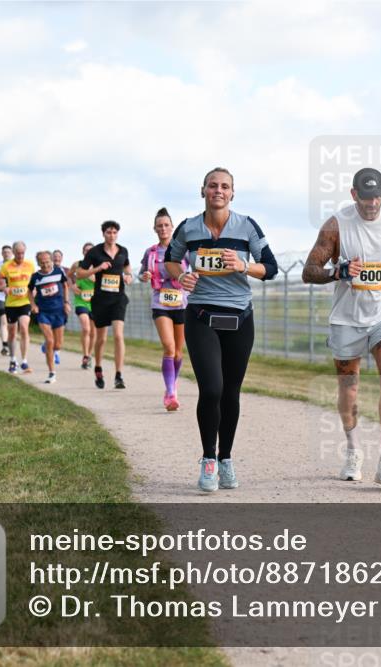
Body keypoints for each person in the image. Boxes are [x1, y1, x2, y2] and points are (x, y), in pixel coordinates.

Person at [302, 168, 381, 485]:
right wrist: (337, 272)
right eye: (366, 197)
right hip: (346, 319)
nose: (372, 203)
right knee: (348, 390)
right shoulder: (336, 225)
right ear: (354, 195)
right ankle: (353, 451)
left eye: (378, 197)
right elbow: (309, 271)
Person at [166, 167, 278, 492]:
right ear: (203, 191)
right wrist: (180, 276)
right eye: (213, 185)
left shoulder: (247, 227)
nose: (219, 191)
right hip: (202, 316)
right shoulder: (188, 228)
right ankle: (208, 459)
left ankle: (226, 458)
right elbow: (172, 261)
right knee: (211, 389)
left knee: (231, 391)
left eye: (225, 186)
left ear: (232, 193)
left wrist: (242, 265)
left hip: (240, 318)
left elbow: (270, 267)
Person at [141, 207, 188, 411]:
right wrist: (144, 276)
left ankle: (172, 384)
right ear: (154, 228)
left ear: (172, 227)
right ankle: (170, 393)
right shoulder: (151, 252)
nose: (163, 228)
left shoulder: (183, 250)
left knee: (178, 352)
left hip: (182, 303)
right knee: (169, 348)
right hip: (161, 302)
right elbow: (143, 272)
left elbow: (195, 271)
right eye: (159, 225)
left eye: (166, 225)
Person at [76, 221, 133, 389]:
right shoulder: (95, 252)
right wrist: (97, 268)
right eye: (109, 232)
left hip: (118, 299)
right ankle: (98, 368)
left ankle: (118, 375)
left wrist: (128, 276)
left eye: (115, 232)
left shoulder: (123, 251)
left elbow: (127, 268)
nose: (112, 235)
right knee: (101, 338)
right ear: (103, 234)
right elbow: (79, 273)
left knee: (118, 335)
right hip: (100, 300)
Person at [29, 250, 70, 384]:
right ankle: (52, 373)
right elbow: (29, 291)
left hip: (58, 311)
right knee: (51, 341)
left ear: (51, 261)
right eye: (42, 262)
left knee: (58, 345)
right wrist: (33, 304)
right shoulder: (35, 276)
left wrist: (66, 302)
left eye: (47, 261)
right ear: (38, 263)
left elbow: (65, 285)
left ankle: (47, 346)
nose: (45, 265)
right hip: (44, 312)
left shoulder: (58, 272)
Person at [0, 241, 35, 374]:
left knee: (24, 328)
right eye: (18, 253)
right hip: (11, 304)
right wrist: (5, 288)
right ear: (13, 252)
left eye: (22, 253)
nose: (20, 255)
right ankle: (13, 360)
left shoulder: (30, 265)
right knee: (12, 332)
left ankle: (24, 361)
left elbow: (34, 282)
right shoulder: (6, 267)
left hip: (25, 302)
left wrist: (34, 291)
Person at [70, 242, 96, 370]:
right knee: (86, 328)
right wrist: (72, 285)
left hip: (95, 302)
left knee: (94, 332)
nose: (88, 252)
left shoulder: (99, 266)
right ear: (83, 252)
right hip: (81, 301)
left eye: (90, 250)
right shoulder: (77, 265)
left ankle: (89, 355)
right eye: (86, 250)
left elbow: (106, 282)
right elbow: (69, 276)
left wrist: (93, 277)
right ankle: (85, 355)